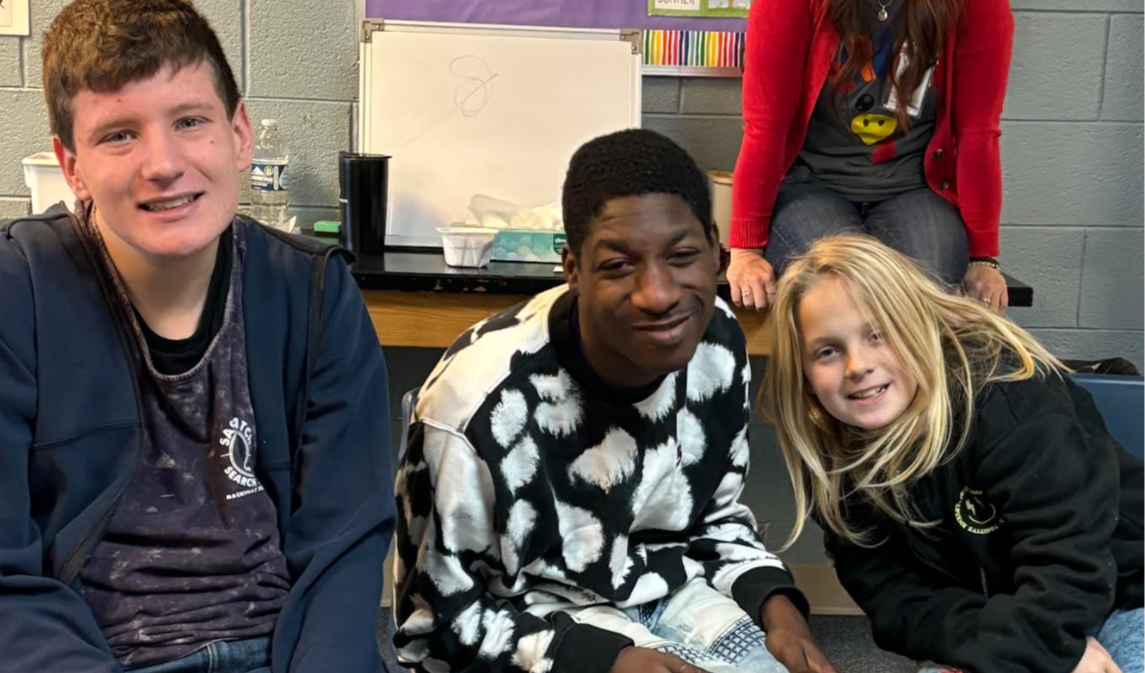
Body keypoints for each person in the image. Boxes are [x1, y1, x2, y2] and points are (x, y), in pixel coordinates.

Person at [0, 1, 395, 671]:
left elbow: (343, 546)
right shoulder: (20, 293)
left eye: (190, 121)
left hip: (285, 647)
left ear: (239, 134)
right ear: (71, 166)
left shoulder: (313, 292)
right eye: (118, 135)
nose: (163, 163)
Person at [392, 129, 837, 673]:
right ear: (572, 268)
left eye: (682, 255)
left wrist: (779, 609)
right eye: (618, 265)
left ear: (718, 253)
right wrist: (603, 660)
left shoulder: (716, 341)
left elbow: (713, 518)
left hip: (671, 590)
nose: (658, 294)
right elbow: (434, 628)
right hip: (533, 623)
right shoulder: (472, 406)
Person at [761, 234, 1145, 672]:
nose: (857, 366)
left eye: (878, 334)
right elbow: (894, 604)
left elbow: (1072, 574)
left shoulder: (1008, 401)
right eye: (828, 351)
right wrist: (1025, 645)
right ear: (806, 375)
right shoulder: (836, 461)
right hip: (991, 620)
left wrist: (1047, 647)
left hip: (1124, 595)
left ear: (917, 326)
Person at [727, 0, 1014, 313]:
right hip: (813, 185)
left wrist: (983, 257)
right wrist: (745, 250)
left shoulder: (977, 6)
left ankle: (906, 363)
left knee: (928, 286)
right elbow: (766, 127)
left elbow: (978, 133)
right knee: (837, 289)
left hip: (915, 188)